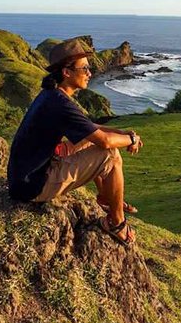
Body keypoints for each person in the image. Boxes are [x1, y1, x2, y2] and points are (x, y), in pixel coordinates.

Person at [7, 39, 143, 245]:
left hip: (25, 176)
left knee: (91, 142)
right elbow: (105, 142)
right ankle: (115, 223)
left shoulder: (51, 95)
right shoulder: (59, 104)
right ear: (66, 73)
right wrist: (131, 139)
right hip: (32, 185)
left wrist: (122, 132)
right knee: (110, 155)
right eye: (85, 68)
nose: (90, 73)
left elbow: (90, 128)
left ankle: (106, 198)